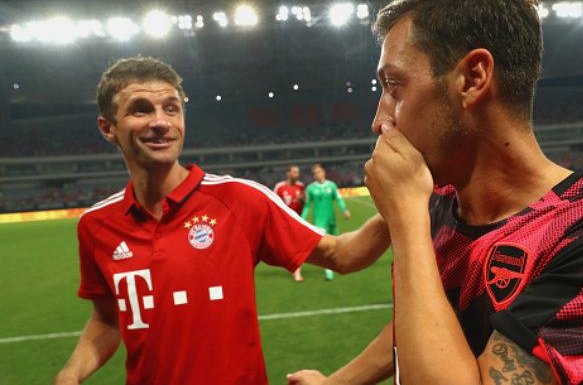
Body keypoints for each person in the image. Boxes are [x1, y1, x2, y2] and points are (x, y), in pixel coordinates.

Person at [287, 0, 583, 384]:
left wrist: (406, 223)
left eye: (394, 86)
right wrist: (337, 382)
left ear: (472, 79)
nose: (379, 120)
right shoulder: (438, 199)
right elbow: (425, 319)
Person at [53, 57, 391, 385]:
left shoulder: (239, 199)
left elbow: (341, 255)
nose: (160, 121)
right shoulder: (96, 225)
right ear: (107, 128)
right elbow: (106, 320)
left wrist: (403, 203)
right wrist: (70, 373)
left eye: (171, 108)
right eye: (141, 109)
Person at [301, 164, 351, 281]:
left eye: (319, 171)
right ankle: (329, 271)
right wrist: (302, 218)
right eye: (315, 173)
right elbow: (307, 205)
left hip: (331, 219)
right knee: (325, 246)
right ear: (314, 175)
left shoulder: (332, 185)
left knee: (337, 243)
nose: (318, 174)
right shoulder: (310, 188)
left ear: (324, 172)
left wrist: (345, 210)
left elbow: (338, 199)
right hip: (320, 221)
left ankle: (338, 264)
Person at [274, 165, 307, 282]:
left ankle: (297, 271)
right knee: (286, 247)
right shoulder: (280, 187)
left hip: (297, 221)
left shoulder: (301, 186)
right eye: (294, 172)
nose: (297, 174)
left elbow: (305, 202)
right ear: (288, 173)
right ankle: (293, 267)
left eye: (297, 172)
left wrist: (302, 200)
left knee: (296, 247)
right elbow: (274, 204)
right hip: (284, 221)